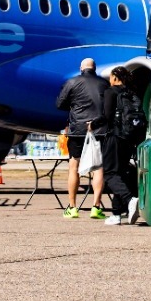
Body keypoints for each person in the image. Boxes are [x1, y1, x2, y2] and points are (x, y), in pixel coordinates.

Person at [87, 66, 147, 224]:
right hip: (129, 139)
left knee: (110, 174)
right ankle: (116, 214)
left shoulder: (111, 91)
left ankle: (130, 200)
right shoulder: (132, 93)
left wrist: (93, 124)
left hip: (114, 137)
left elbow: (106, 116)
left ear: (114, 78)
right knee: (119, 173)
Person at [55, 57, 105, 218]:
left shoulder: (72, 82)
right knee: (98, 168)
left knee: (74, 167)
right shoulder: (104, 83)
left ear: (81, 68)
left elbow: (60, 104)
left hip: (77, 129)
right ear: (95, 68)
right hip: (98, 129)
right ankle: (96, 207)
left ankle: (72, 207)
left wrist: (74, 105)